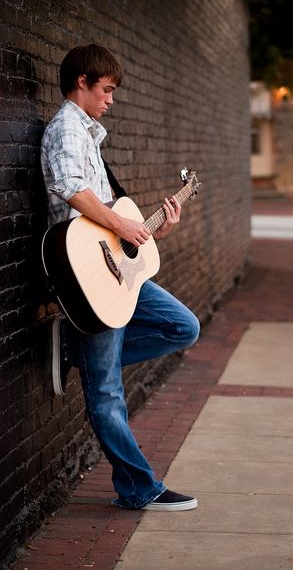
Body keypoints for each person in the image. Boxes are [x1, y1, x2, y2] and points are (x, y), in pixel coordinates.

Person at [40, 44, 200, 511]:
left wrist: (152, 229)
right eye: (106, 90)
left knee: (182, 327)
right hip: (86, 280)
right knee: (107, 395)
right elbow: (67, 188)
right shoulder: (67, 127)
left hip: (114, 269)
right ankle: (138, 489)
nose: (111, 99)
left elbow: (111, 220)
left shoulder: (89, 135)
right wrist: (120, 223)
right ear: (82, 83)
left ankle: (77, 353)